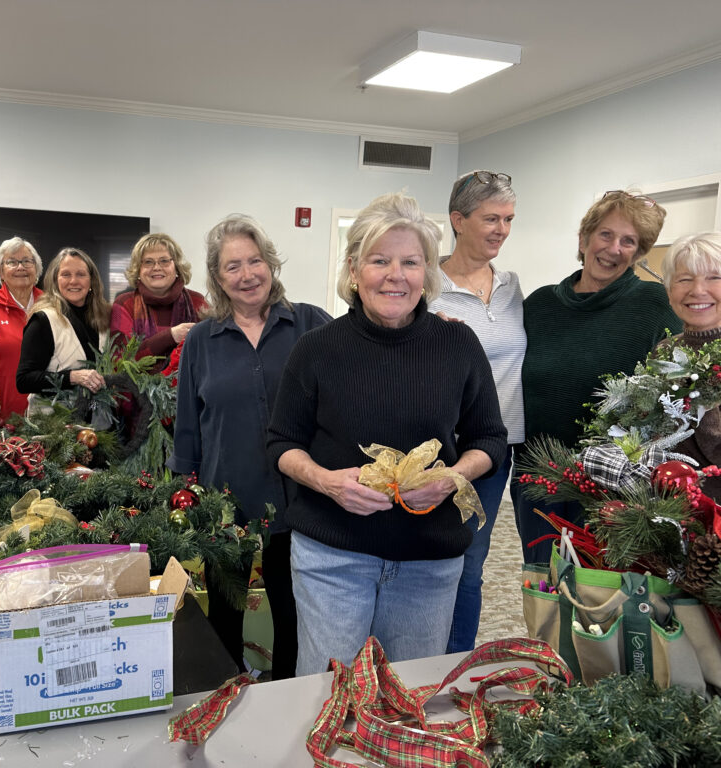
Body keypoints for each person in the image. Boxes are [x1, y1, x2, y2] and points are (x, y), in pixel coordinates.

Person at [267, 192, 506, 673]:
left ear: (427, 274)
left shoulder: (457, 343)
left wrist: (453, 477)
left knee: (409, 693)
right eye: (380, 260)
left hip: (428, 563)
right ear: (354, 270)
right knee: (327, 691)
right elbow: (281, 444)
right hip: (333, 557)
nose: (396, 275)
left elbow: (490, 440)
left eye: (410, 262)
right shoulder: (317, 349)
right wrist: (327, 482)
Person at [169, 214, 330, 680]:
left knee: (293, 607)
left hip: (297, 496)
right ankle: (227, 690)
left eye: (255, 261)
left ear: (271, 264)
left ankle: (287, 692)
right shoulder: (202, 339)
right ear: (218, 278)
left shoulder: (310, 324)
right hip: (226, 498)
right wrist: (189, 492)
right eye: (232, 266)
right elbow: (188, 424)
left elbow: (362, 353)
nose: (247, 274)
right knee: (225, 610)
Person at [516, 190, 680, 563]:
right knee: (543, 584)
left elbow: (682, 381)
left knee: (602, 594)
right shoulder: (539, 305)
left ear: (639, 253)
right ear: (584, 239)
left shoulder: (654, 304)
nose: (614, 248)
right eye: (606, 235)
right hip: (539, 476)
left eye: (629, 241)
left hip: (613, 482)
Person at [428, 170, 524, 653]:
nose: (501, 229)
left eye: (508, 219)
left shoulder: (512, 287)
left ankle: (454, 663)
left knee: (470, 566)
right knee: (427, 561)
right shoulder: (426, 286)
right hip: (436, 450)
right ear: (458, 220)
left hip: (494, 453)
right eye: (490, 218)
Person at [659, 233, 721, 499]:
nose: (697, 290)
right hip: (671, 506)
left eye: (714, 278)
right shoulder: (665, 350)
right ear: (670, 290)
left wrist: (699, 399)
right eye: (684, 279)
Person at [16, 247, 111, 406]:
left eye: (81, 274)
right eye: (66, 274)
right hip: (54, 424)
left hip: (100, 424)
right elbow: (24, 380)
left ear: (91, 281)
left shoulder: (105, 317)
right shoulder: (43, 320)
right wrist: (72, 377)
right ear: (55, 281)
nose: (73, 281)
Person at [110, 233, 208, 370]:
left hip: (191, 389)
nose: (156, 267)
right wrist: (170, 336)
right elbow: (120, 362)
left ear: (177, 267)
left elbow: (211, 353)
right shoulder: (125, 304)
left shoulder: (197, 301)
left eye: (164, 261)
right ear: (138, 270)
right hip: (136, 391)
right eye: (148, 262)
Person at [0, 237, 42, 423]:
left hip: (49, 418)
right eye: (12, 262)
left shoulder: (52, 306)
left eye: (26, 261)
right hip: (0, 418)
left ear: (37, 269)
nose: (20, 267)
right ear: (0, 271)